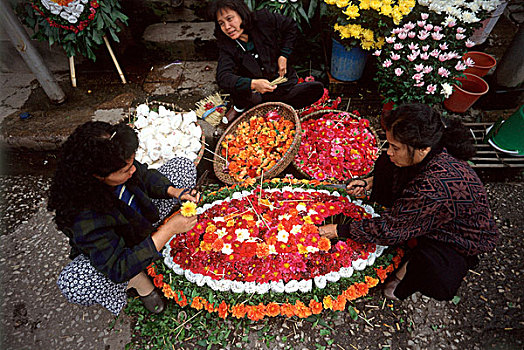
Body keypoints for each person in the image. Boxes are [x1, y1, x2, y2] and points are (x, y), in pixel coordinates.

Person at [319, 103, 499, 301]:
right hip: (433, 208)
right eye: (389, 144)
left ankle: (404, 275)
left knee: (431, 266)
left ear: (423, 149)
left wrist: (338, 230)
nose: (389, 150)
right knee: (386, 163)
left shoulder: (432, 189)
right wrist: (369, 182)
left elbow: (388, 229)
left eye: (395, 147)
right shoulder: (433, 147)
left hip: (456, 236)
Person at [48, 121, 199, 315]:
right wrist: (168, 230)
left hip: (143, 219)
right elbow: (117, 266)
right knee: (74, 284)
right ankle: (140, 281)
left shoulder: (119, 164)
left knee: (183, 166)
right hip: (121, 250)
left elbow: (143, 174)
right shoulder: (84, 215)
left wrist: (173, 191)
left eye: (131, 164)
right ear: (97, 175)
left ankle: (156, 243)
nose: (132, 170)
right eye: (125, 170)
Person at [208, 0, 324, 125]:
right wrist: (252, 84)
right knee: (251, 97)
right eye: (221, 23)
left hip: (276, 80)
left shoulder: (263, 20)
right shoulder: (227, 45)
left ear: (241, 13)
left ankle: (275, 104)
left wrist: (283, 55)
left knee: (314, 89)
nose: (227, 27)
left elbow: (290, 27)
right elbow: (223, 77)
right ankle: (241, 107)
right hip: (254, 91)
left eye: (230, 19)